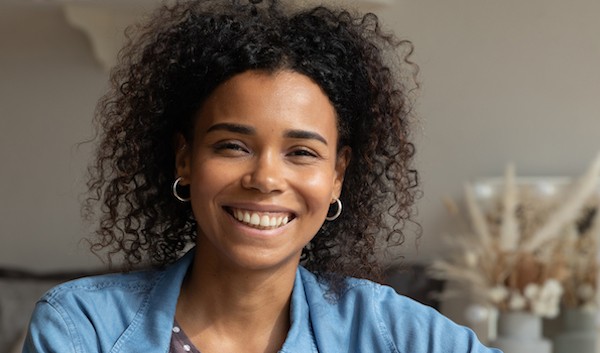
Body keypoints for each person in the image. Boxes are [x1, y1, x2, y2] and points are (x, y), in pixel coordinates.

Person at [23, 0, 501, 352]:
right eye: (233, 146)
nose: (265, 178)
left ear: (337, 176)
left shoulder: (391, 331)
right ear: (185, 159)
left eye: (301, 152)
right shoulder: (81, 328)